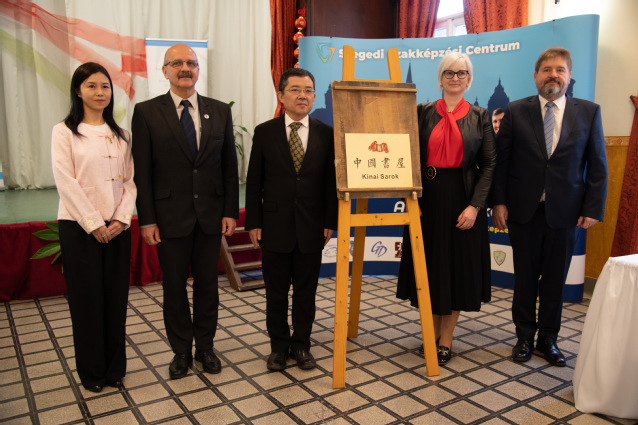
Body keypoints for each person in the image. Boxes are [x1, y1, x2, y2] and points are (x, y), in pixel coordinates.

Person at [492, 47, 608, 367]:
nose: (553, 75)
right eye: (546, 70)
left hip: (566, 212)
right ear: (536, 76)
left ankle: (548, 339)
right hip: (523, 212)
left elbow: (598, 165)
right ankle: (524, 337)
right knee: (525, 278)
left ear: (569, 76)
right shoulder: (516, 110)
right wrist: (498, 202)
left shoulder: (589, 112)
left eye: (560, 70)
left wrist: (593, 208)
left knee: (555, 280)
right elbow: (501, 163)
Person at [132, 43, 239, 379]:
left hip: (210, 216)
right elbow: (142, 172)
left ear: (197, 69)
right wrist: (147, 219)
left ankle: (205, 347)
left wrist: (230, 211)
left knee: (208, 286)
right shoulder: (147, 112)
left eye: (190, 63)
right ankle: (181, 351)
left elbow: (229, 166)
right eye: (176, 63)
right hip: (168, 217)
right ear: (165, 70)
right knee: (174, 287)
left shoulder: (219, 111)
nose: (185, 68)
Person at [397, 53, 496, 365]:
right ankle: (430, 334)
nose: (456, 78)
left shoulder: (481, 116)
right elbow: (406, 156)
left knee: (455, 272)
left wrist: (475, 206)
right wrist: (412, 198)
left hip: (463, 200)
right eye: (449, 73)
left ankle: (446, 340)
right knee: (429, 268)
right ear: (440, 78)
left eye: (462, 73)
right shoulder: (421, 112)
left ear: (469, 79)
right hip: (426, 199)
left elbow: (489, 164)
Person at [245, 68, 337, 371]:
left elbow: (330, 182)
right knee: (276, 293)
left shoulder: (326, 133)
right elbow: (254, 181)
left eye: (308, 90)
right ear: (281, 95)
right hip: (274, 226)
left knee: (306, 293)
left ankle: (301, 345)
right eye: (295, 89)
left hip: (312, 227)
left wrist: (330, 220)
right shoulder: (265, 132)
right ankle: (278, 347)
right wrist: (254, 222)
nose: (303, 96)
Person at [52, 62, 136, 393]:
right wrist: (93, 223)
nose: (100, 92)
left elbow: (130, 183)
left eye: (105, 86)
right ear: (78, 90)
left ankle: (115, 370)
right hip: (79, 229)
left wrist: (120, 220)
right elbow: (65, 182)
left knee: (115, 301)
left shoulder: (122, 135)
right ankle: (92, 373)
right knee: (86, 302)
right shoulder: (64, 131)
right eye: (91, 86)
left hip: (116, 230)